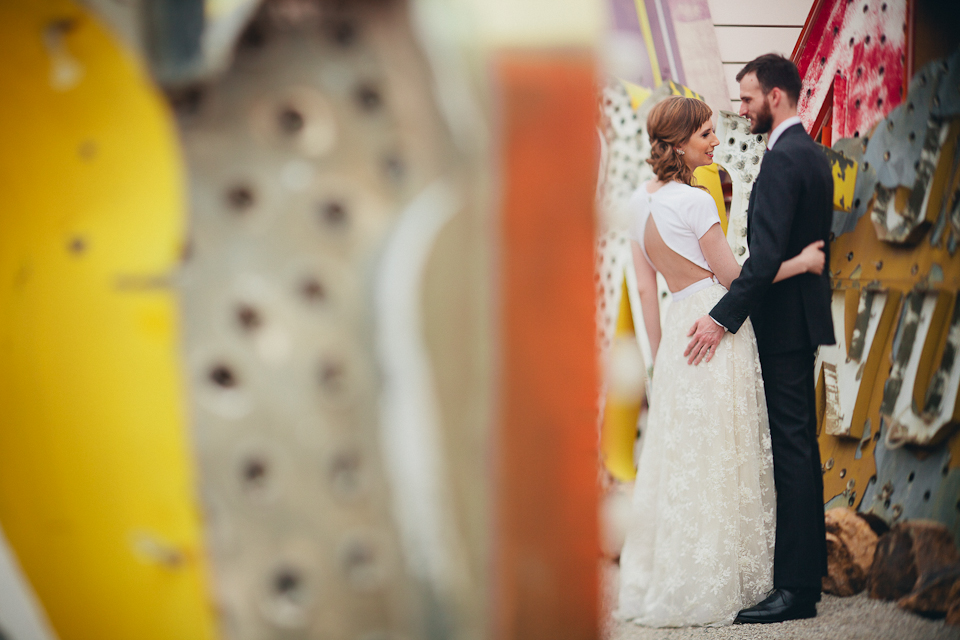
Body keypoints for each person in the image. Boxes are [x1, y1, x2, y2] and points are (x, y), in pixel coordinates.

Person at [616, 94, 826, 628]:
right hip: (716, 324)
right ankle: (728, 579)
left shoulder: (640, 205)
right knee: (724, 453)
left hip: (677, 334)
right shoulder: (695, 201)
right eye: (706, 133)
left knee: (687, 460)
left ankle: (677, 576)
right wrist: (799, 260)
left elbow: (645, 292)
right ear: (681, 144)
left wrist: (659, 357)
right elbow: (735, 280)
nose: (715, 141)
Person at [685, 54, 836, 624]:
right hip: (800, 319)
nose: (740, 109)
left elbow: (766, 257)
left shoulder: (782, 159)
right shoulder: (812, 154)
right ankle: (805, 578)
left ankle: (795, 591)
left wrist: (719, 317)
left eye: (746, 99)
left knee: (792, 449)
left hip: (782, 326)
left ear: (775, 97)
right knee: (799, 446)